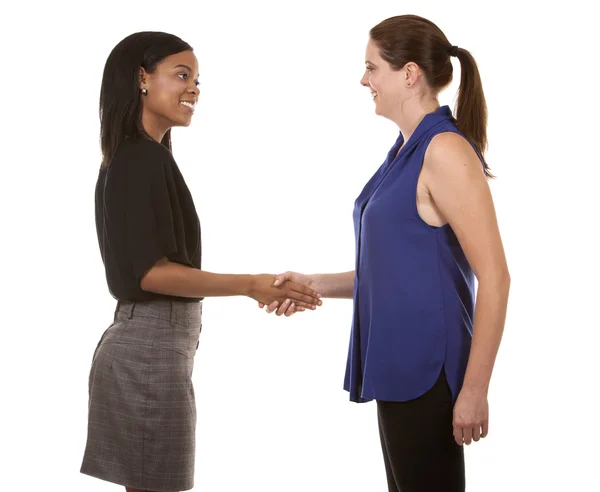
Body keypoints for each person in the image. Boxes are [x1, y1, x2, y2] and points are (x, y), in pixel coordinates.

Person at [259, 14, 510, 492]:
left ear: (409, 74)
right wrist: (313, 285)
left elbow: (496, 278)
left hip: (428, 373)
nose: (363, 79)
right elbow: (393, 270)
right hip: (398, 366)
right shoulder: (404, 151)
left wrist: (475, 390)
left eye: (372, 67)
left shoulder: (444, 152)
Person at [79, 31, 322, 492]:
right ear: (142, 79)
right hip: (147, 352)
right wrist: (252, 283)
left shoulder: (142, 157)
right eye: (182, 75)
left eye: (197, 80)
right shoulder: (139, 159)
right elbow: (152, 274)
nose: (193, 88)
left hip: (153, 351)